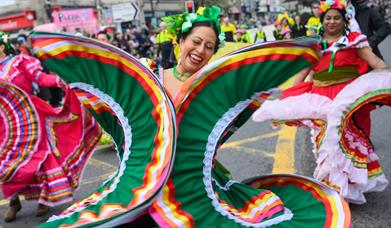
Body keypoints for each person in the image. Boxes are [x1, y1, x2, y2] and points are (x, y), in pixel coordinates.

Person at [31, 5, 351, 227]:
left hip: (196, 183)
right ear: (180, 41)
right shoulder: (150, 78)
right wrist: (63, 57)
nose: (200, 50)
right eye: (196, 41)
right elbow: (113, 101)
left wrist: (293, 57)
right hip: (144, 181)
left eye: (209, 46)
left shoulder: (210, 86)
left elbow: (247, 85)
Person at [253, 0, 389, 204]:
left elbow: (376, 63)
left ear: (344, 21)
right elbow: (303, 72)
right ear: (322, 20)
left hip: (348, 99)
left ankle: (349, 186)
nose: (332, 22)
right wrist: (290, 97)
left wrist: (383, 80)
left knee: (348, 142)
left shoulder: (354, 41)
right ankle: (333, 186)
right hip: (320, 99)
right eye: (328, 18)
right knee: (326, 142)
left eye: (336, 18)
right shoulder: (315, 45)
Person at [0, 31, 102, 222]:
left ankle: (43, 199)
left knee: (39, 159)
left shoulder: (20, 62)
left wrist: (63, 80)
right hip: (5, 123)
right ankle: (14, 201)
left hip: (31, 118)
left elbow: (41, 79)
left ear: (1, 46)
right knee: (5, 161)